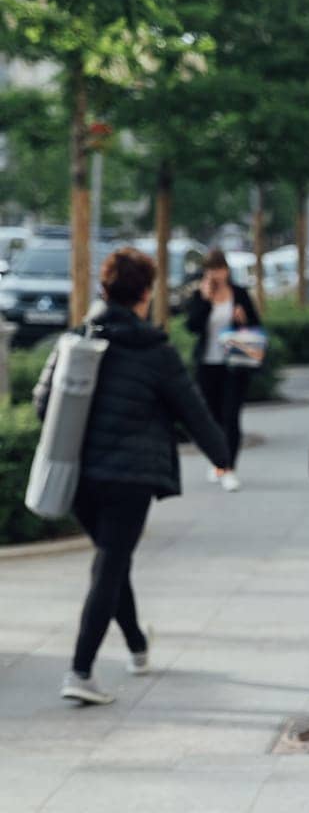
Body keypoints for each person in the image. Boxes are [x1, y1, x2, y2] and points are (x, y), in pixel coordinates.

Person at [33, 247, 229, 706]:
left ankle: (138, 646)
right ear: (146, 294)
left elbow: (44, 403)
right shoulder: (156, 351)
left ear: (104, 291)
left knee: (111, 561)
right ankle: (81, 670)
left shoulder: (75, 340)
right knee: (109, 566)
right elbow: (192, 410)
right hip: (131, 477)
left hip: (78, 473)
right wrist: (221, 455)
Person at [184, 247, 261, 492]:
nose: (216, 275)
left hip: (235, 364)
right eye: (211, 270)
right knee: (213, 417)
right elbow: (192, 327)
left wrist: (243, 319)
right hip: (208, 363)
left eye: (219, 269)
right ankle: (218, 463)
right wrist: (205, 301)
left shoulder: (239, 293)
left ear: (226, 270)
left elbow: (257, 325)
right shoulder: (201, 294)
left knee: (231, 416)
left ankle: (229, 468)